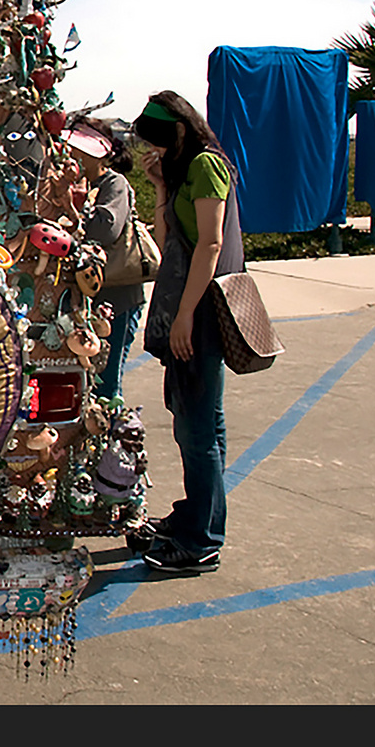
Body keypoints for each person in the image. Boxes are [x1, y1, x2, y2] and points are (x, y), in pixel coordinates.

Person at [131, 91, 244, 574]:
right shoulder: (185, 170)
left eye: (157, 143)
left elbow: (212, 244)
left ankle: (201, 540)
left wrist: (184, 316)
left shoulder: (206, 166)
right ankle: (197, 517)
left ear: (177, 131)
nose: (153, 151)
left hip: (199, 312)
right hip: (188, 307)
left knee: (197, 430)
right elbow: (167, 242)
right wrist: (158, 187)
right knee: (199, 423)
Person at [66, 117, 145, 401]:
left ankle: (109, 437)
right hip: (81, 300)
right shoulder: (64, 183)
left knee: (105, 383)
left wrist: (76, 207)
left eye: (79, 149)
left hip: (115, 298)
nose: (71, 155)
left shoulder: (114, 184)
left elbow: (106, 229)